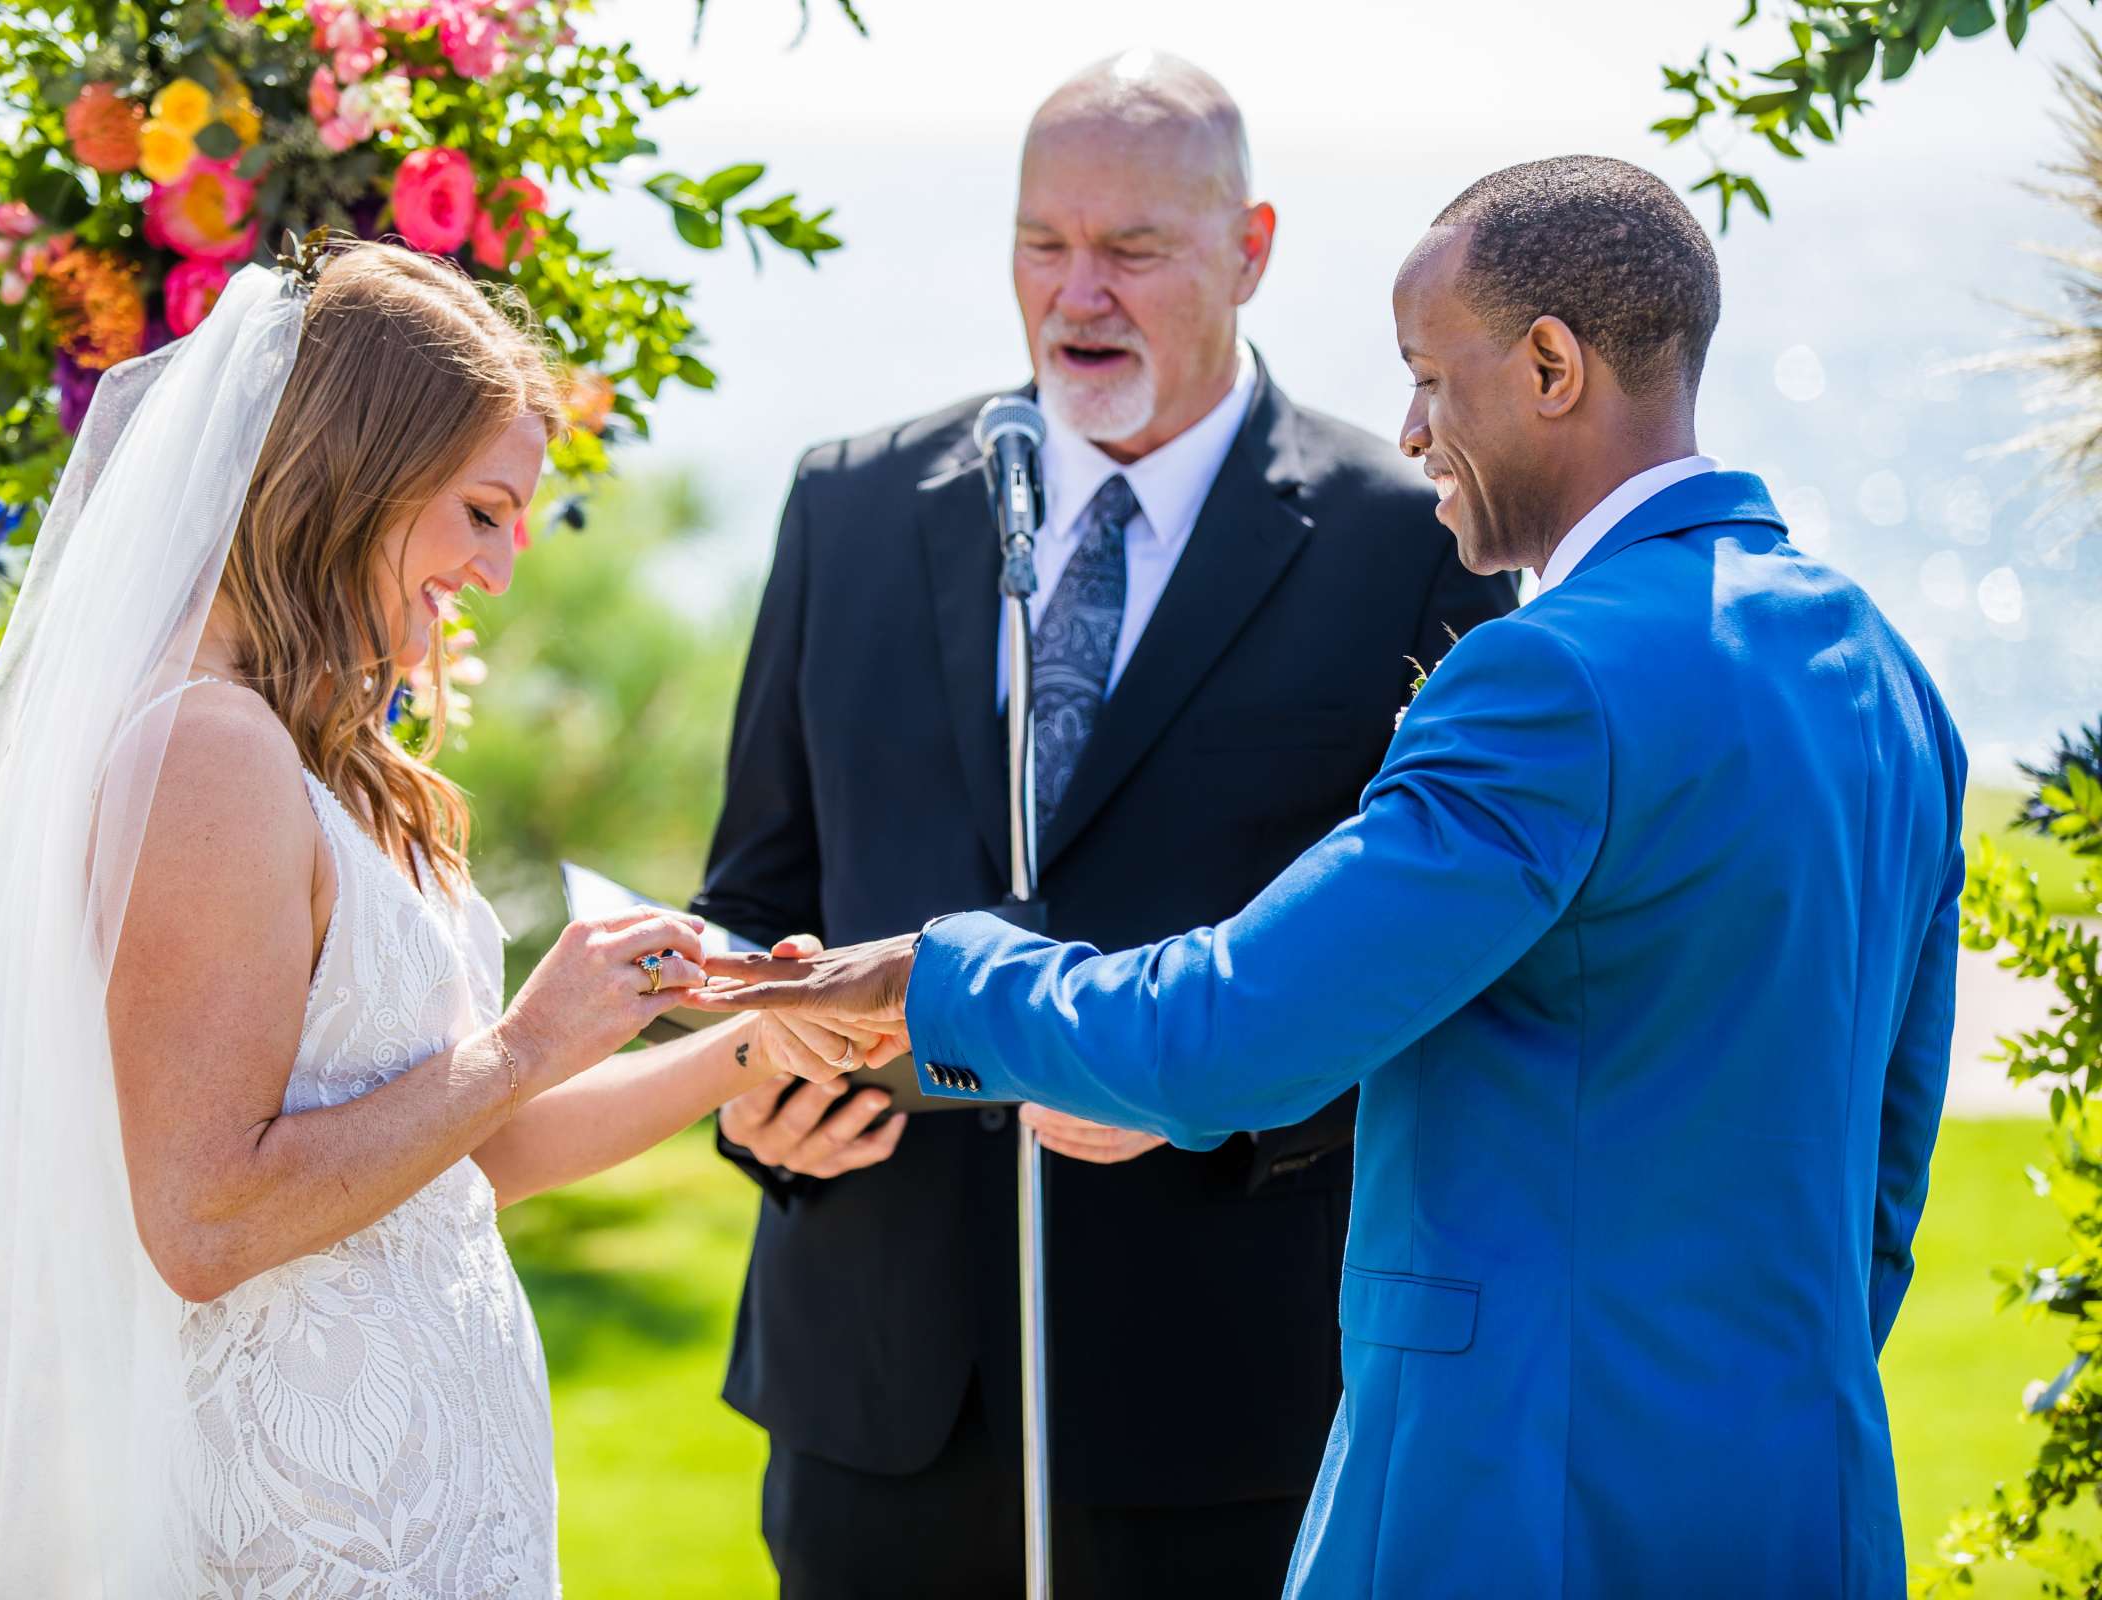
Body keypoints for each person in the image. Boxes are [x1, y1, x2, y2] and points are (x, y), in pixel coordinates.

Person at [698, 155, 1967, 1598]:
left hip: (1516, 1511)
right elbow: (1884, 1178)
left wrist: (938, 977)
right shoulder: (1883, 674)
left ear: (1551, 366)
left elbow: (1225, 1035)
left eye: (1432, 378)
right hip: (1802, 1500)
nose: (1415, 430)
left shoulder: (1546, 679)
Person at [0, 243, 862, 1599]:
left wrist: (753, 1040)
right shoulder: (200, 752)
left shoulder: (306, 750)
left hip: (426, 1509)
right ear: (358, 482)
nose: (497, 569)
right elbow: (202, 1223)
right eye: (480, 512)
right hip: (305, 1524)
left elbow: (455, 1164)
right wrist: (528, 1043)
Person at [690, 50, 1514, 1599]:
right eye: (1042, 245)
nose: (1080, 295)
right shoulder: (850, 505)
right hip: (876, 1395)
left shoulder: (1411, 542)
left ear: (1252, 249)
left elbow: (1454, 967)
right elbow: (756, 891)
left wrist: (1222, 1091)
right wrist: (752, 1102)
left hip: (1225, 1399)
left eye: (1134, 251)